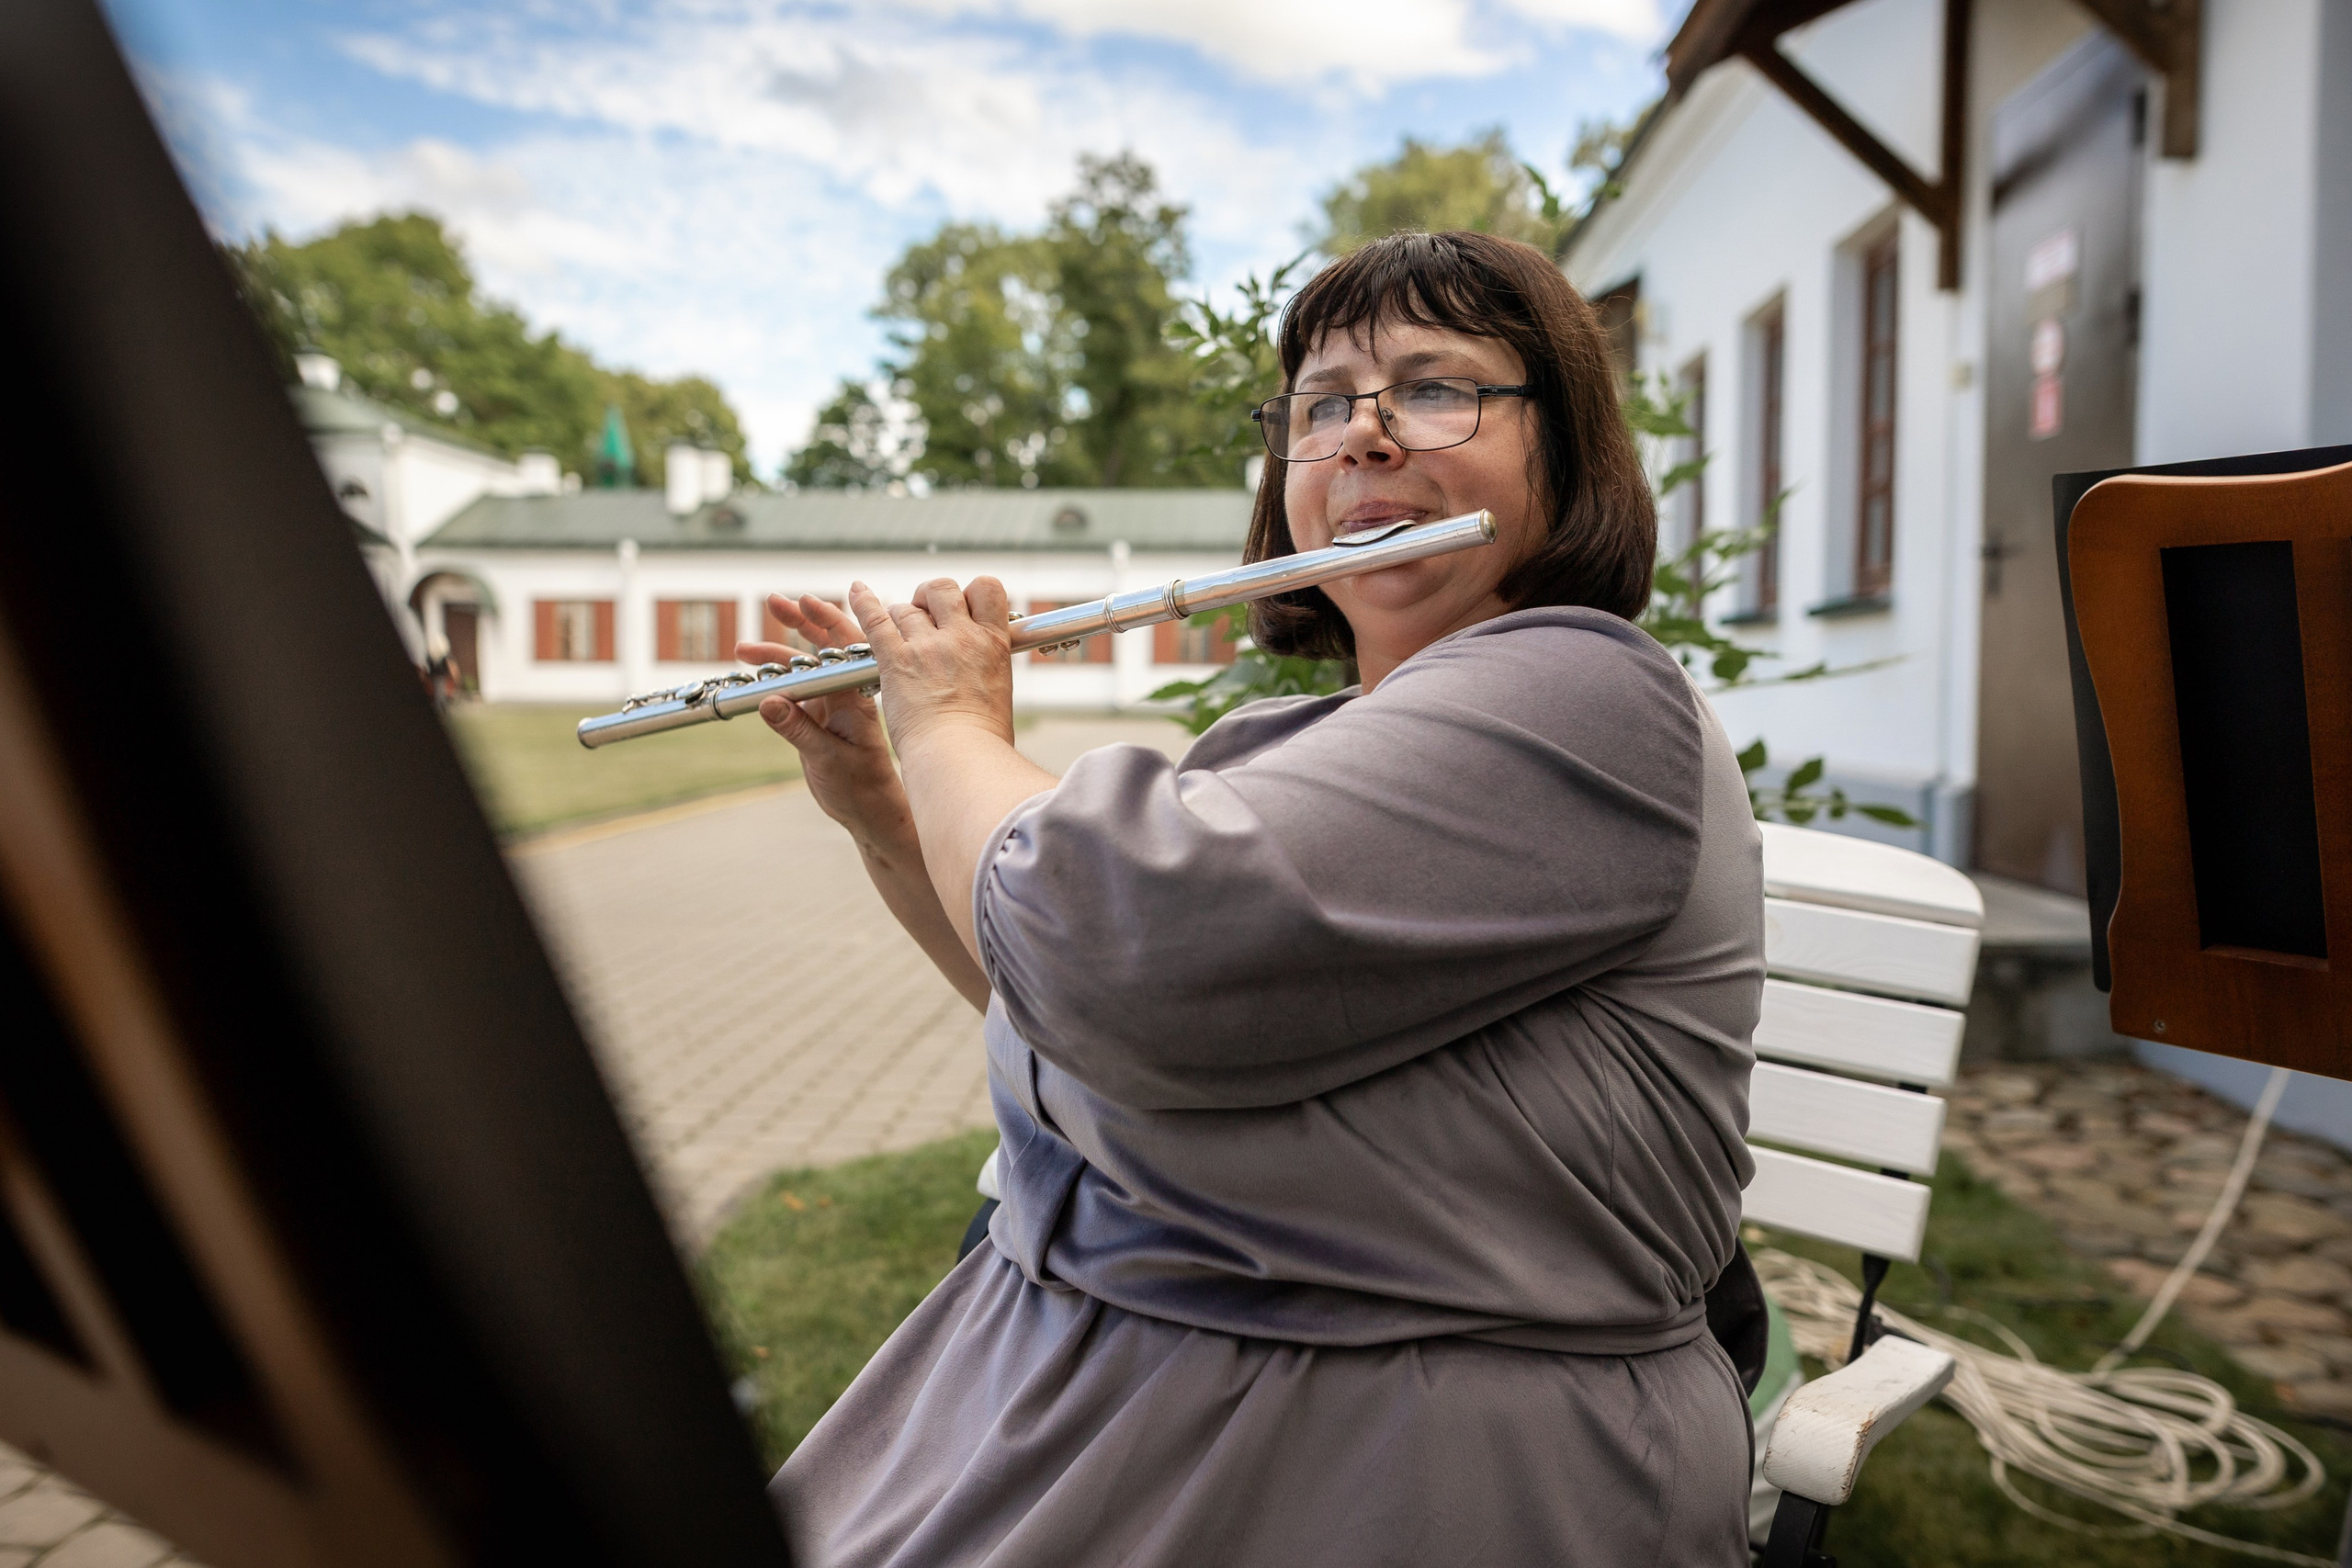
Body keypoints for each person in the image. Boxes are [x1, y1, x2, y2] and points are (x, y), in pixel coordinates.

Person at [739, 230, 1763, 1567]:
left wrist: (947, 725)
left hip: (1402, 1453)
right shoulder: (1302, 751)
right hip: (1093, 1389)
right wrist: (884, 800)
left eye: (1436, 387)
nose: (1365, 437)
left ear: (1562, 452)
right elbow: (1063, 1004)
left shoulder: (1588, 693)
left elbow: (1117, 944)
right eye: (1324, 403)